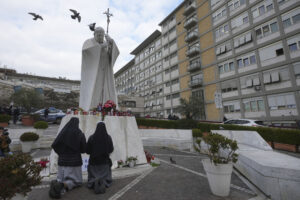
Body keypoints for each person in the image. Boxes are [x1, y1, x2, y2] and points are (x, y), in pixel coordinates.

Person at [79, 26, 119, 111]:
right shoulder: (89, 42)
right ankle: (91, 107)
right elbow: (87, 52)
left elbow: (112, 56)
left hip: (105, 72)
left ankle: (107, 107)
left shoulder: (106, 43)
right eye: (98, 35)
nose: (100, 37)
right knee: (94, 90)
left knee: (105, 90)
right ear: (94, 34)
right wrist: (100, 47)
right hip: (94, 73)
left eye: (102, 35)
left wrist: (111, 43)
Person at [49, 118, 86, 199]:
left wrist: (61, 153)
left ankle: (58, 183)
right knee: (76, 181)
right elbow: (84, 149)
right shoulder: (79, 134)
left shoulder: (63, 132)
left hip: (62, 161)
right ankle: (62, 185)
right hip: (74, 162)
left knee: (61, 178)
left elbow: (55, 144)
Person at [86, 122, 114, 194]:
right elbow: (111, 149)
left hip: (93, 163)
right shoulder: (108, 138)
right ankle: (103, 182)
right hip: (104, 163)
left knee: (92, 177)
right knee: (106, 177)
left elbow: (87, 151)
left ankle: (93, 181)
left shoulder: (91, 137)